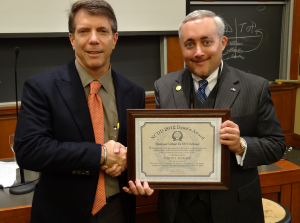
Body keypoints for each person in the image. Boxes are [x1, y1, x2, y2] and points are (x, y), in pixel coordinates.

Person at [14, 1, 152, 223]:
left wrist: (140, 173)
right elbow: (29, 151)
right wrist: (102, 155)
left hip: (117, 210)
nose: (93, 39)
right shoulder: (42, 88)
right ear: (72, 39)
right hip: (61, 213)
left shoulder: (133, 92)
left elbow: (135, 150)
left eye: (103, 31)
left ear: (114, 40)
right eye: (84, 31)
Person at [154, 10, 285, 223]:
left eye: (206, 42)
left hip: (235, 208)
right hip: (179, 210)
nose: (198, 52)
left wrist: (241, 145)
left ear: (222, 43)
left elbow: (276, 145)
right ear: (182, 47)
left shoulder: (255, 87)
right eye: (189, 44)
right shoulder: (164, 87)